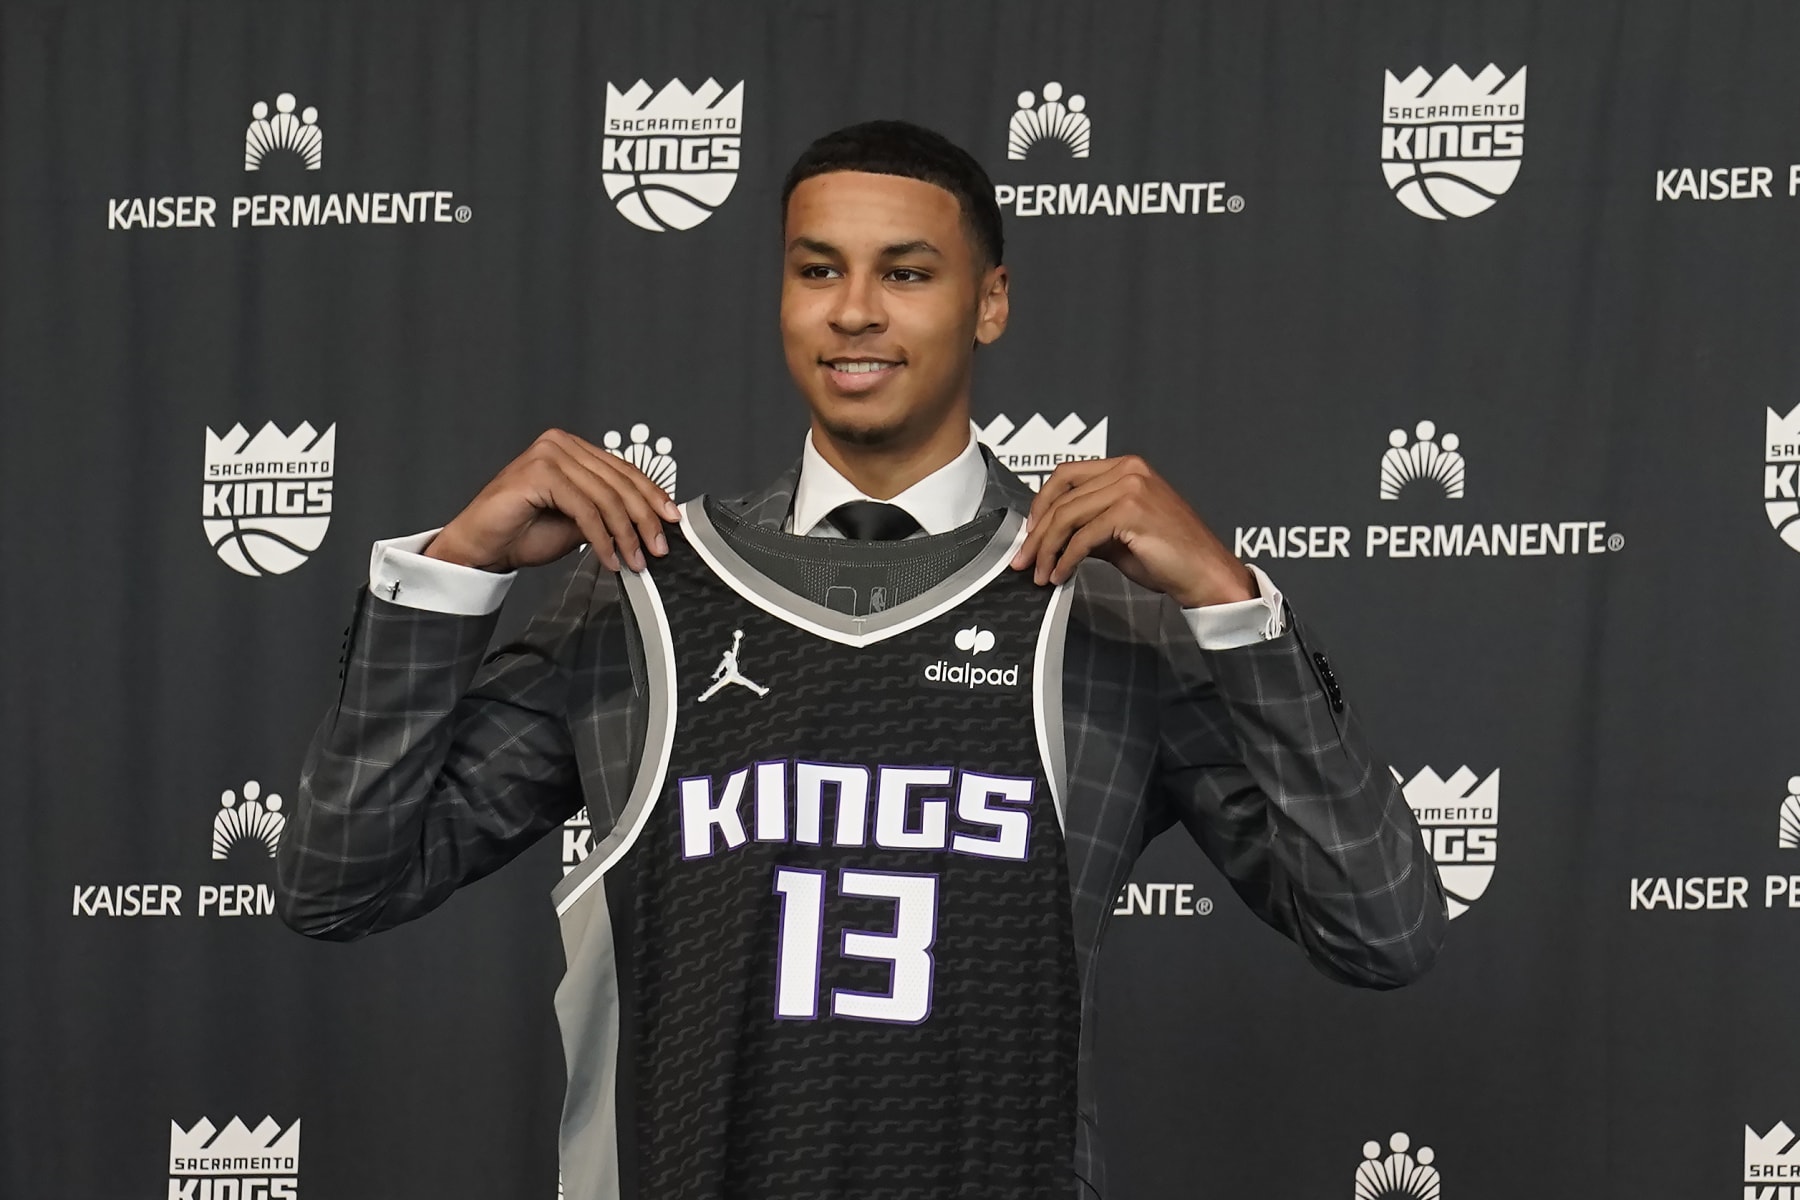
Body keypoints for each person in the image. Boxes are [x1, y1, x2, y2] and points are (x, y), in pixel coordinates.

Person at [276, 119, 1447, 1200]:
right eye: (817, 268)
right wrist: (453, 573)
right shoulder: (640, 592)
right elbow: (337, 884)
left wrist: (1235, 609)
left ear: (989, 303)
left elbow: (1382, 929)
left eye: (906, 272)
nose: (854, 312)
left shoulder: (1103, 610)